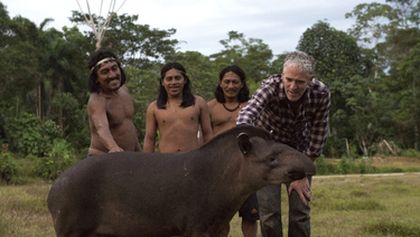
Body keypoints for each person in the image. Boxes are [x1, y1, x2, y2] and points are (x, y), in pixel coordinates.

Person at [237, 51, 330, 237]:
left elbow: (318, 133)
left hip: (299, 154)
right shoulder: (270, 87)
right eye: (289, 79)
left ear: (310, 80)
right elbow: (248, 112)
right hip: (267, 154)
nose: (293, 86)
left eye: (300, 82)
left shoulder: (321, 93)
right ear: (282, 75)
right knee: (269, 214)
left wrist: (303, 171)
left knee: (300, 213)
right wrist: (244, 136)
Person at [208, 65, 259, 237]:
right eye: (227, 82)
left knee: (250, 215)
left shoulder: (252, 106)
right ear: (220, 83)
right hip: (219, 169)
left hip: (246, 167)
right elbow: (205, 137)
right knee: (219, 217)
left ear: (242, 84)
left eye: (235, 82)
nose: (231, 86)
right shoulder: (210, 107)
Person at [143, 62, 213, 153]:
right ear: (162, 82)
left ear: (185, 80)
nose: (174, 82)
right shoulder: (154, 107)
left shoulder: (199, 103)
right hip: (166, 160)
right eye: (169, 79)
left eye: (177, 78)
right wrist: (148, 162)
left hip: (192, 159)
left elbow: (207, 133)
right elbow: (150, 138)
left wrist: (209, 157)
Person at [87, 48, 141, 156]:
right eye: (105, 72)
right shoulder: (97, 100)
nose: (112, 75)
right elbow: (101, 128)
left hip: (128, 156)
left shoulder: (124, 91)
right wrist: (113, 147)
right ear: (96, 78)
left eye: (114, 69)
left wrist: (139, 151)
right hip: (104, 158)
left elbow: (128, 125)